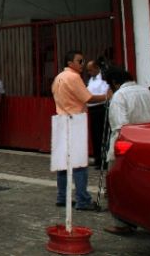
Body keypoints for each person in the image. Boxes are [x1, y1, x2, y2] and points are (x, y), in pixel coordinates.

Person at [51, 50, 110, 211]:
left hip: (61, 119)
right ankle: (83, 199)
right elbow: (88, 98)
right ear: (70, 63)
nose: (82, 64)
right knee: (79, 162)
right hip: (74, 120)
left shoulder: (58, 78)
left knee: (63, 163)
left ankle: (62, 196)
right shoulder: (73, 77)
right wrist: (107, 97)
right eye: (80, 61)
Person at [102, 67, 150, 235]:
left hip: (126, 144)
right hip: (147, 142)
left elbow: (120, 126)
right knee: (144, 184)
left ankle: (122, 223)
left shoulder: (120, 96)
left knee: (119, 185)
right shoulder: (145, 91)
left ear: (114, 83)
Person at [85, 60, 110, 169]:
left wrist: (90, 99)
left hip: (101, 108)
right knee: (95, 136)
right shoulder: (91, 79)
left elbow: (106, 96)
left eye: (90, 70)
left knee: (102, 135)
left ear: (96, 68)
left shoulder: (103, 79)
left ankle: (104, 160)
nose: (89, 72)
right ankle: (98, 159)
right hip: (92, 109)